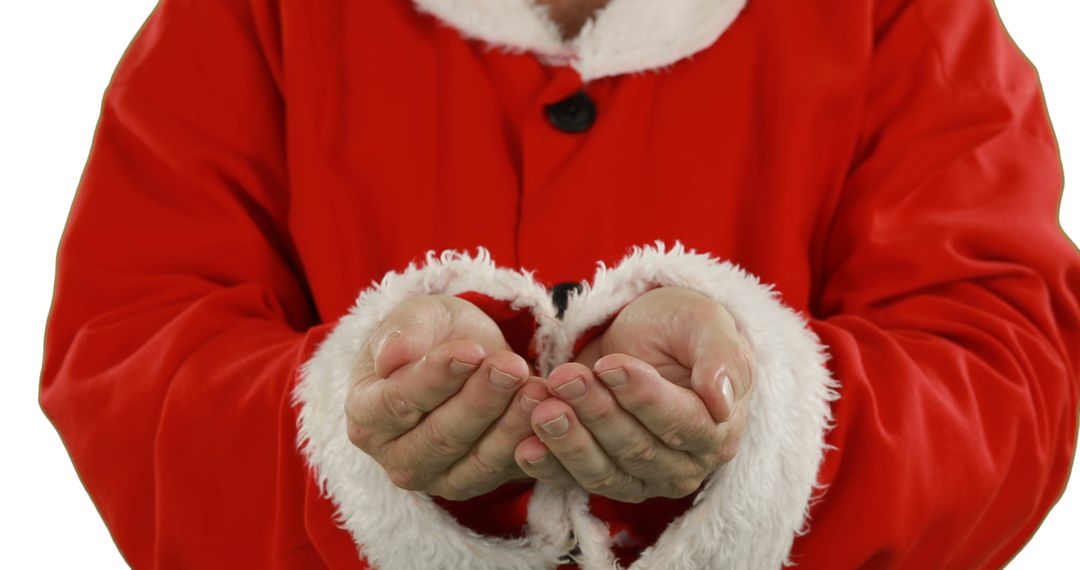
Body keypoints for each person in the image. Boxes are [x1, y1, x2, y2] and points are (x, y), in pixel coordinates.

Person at [39, 0, 1080, 568]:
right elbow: (132, 349)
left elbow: (1003, 367)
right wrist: (351, 417)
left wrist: (773, 419)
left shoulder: (912, 18)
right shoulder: (244, 17)